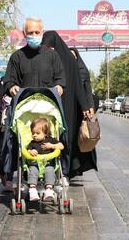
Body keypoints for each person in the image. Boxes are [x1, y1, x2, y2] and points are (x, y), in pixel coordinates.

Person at [42, 31, 97, 182]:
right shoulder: (48, 59)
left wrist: (86, 106)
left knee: (66, 139)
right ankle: (48, 171)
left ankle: (64, 171)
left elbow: (79, 86)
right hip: (53, 107)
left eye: (49, 46)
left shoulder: (69, 61)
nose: (48, 49)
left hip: (68, 108)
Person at [4, 17, 66, 97]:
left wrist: (59, 86)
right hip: (24, 104)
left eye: (37, 32)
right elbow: (9, 80)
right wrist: (12, 87)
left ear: (42, 32)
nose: (34, 35)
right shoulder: (17, 56)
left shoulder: (52, 55)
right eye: (30, 33)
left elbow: (60, 78)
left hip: (48, 104)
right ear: (24, 33)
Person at [27, 117, 64, 201]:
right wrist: (30, 151)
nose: (34, 135)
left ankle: (49, 190)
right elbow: (27, 150)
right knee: (32, 170)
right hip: (35, 164)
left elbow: (61, 146)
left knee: (50, 171)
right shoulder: (32, 143)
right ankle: (32, 190)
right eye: (33, 133)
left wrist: (52, 146)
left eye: (37, 133)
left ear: (46, 133)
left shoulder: (51, 140)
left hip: (48, 163)